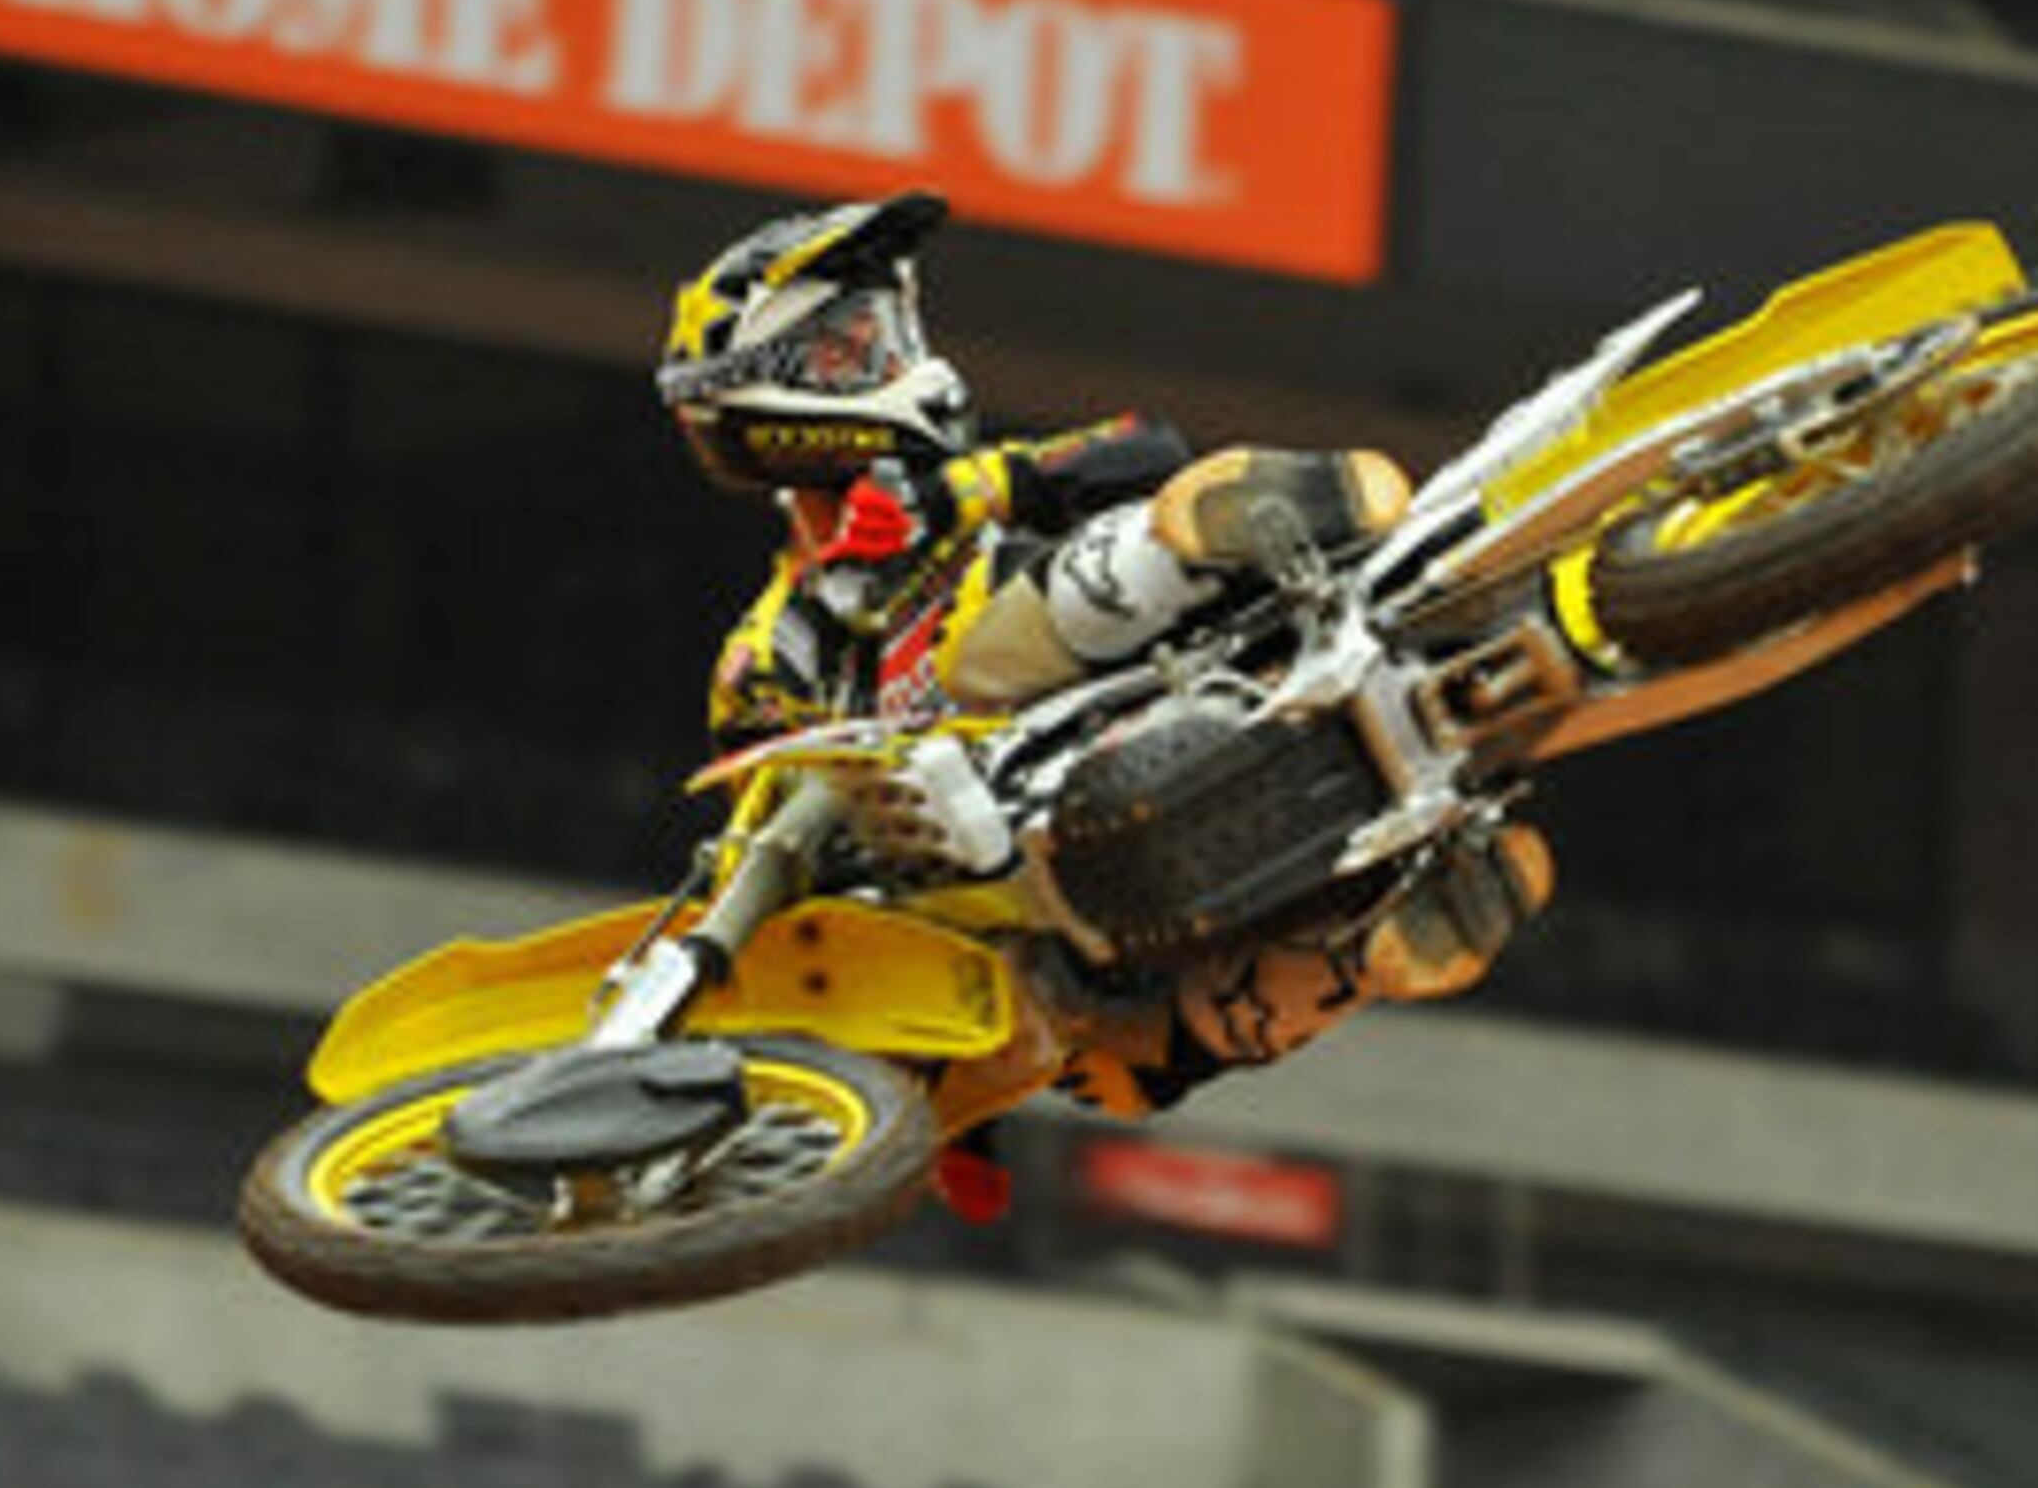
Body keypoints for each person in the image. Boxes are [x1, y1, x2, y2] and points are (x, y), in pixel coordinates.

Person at [656, 189, 1552, 1128]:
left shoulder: (979, 495)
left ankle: (1330, 548)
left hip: (1138, 712)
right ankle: (1391, 902)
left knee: (1131, 551)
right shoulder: (769, 643)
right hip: (999, 894)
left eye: (888, 331)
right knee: (1152, 1060)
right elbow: (766, 826)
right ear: (765, 393)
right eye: (851, 347)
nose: (896, 358)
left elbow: (1144, 447)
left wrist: (978, 490)